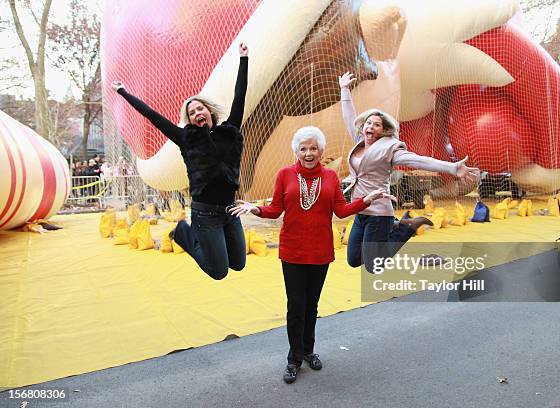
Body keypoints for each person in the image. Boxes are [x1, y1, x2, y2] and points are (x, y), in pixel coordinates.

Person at [231, 126, 393, 384]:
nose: (308, 153)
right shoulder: (284, 174)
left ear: (321, 151)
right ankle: (293, 359)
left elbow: (340, 211)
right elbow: (274, 210)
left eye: (313, 148)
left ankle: (308, 350)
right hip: (293, 251)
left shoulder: (329, 177)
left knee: (312, 305)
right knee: (296, 306)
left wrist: (366, 200)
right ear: (296, 151)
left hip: (320, 252)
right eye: (303, 148)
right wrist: (256, 209)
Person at [111, 43, 249, 280]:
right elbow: (151, 115)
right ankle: (184, 233)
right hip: (205, 214)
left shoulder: (230, 130)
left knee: (238, 264)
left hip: (230, 209)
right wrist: (123, 92)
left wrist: (244, 59)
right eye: (192, 112)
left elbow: (240, 95)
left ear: (209, 112)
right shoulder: (186, 138)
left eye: (200, 109)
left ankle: (201, 238)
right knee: (219, 272)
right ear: (190, 120)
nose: (197, 113)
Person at [338, 72, 480, 272]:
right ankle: (399, 225)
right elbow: (349, 117)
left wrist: (452, 167)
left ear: (384, 130)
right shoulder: (359, 142)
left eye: (376, 124)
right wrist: (344, 89)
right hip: (360, 209)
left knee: (373, 266)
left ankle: (406, 227)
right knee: (354, 260)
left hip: (379, 212)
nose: (370, 126)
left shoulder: (391, 149)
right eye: (368, 123)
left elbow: (418, 161)